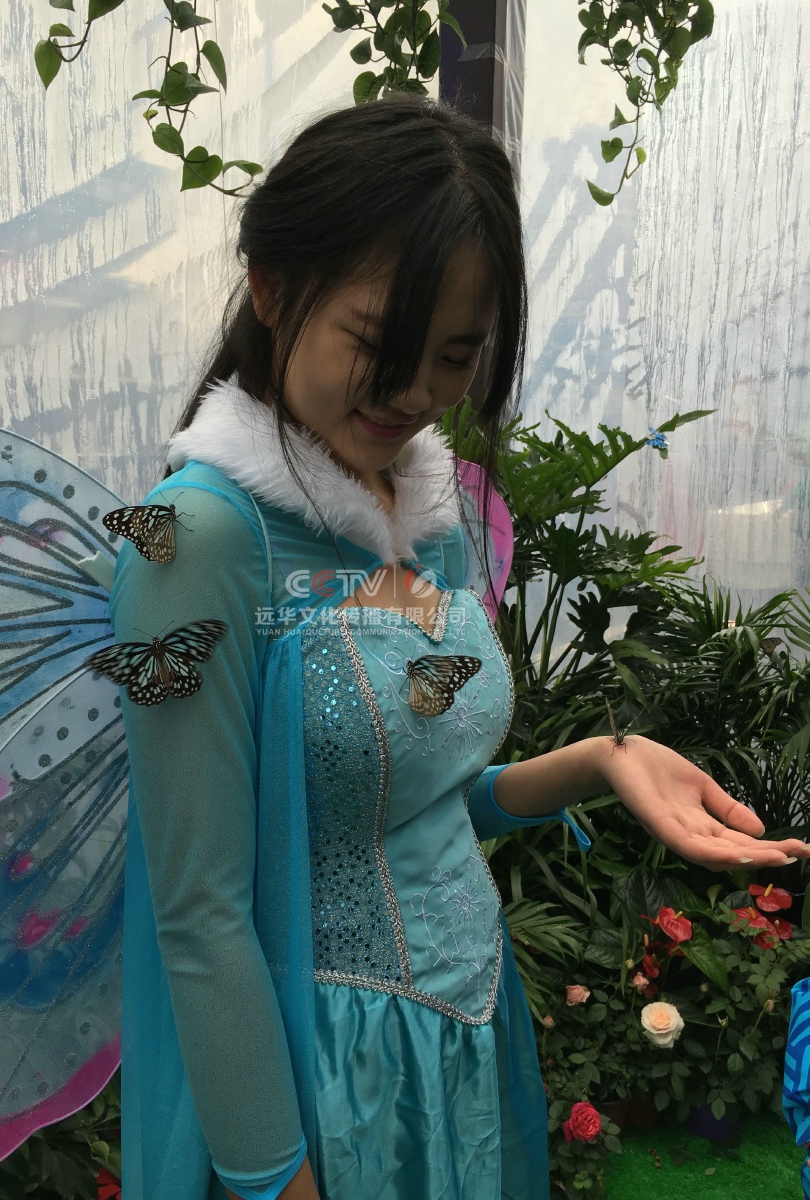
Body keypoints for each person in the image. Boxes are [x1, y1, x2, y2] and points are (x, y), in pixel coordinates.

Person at [110, 94, 809, 1200]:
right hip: (316, 1084)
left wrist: (604, 758)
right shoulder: (197, 544)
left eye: (453, 356)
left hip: (464, 1047)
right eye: (377, 345)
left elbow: (412, 805)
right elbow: (197, 912)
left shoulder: (422, 511)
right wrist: (276, 1180)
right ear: (272, 289)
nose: (414, 396)